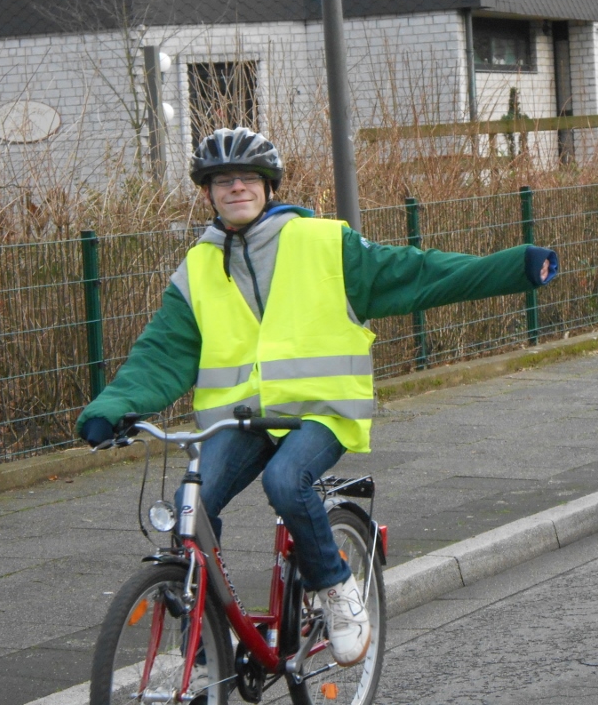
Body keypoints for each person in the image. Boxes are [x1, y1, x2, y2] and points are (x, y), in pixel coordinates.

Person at [77, 127, 558, 667]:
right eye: (222, 181)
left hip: (321, 409)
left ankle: (337, 589)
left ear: (268, 186)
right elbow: (161, 354)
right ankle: (207, 631)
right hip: (242, 419)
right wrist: (112, 409)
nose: (236, 188)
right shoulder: (197, 269)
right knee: (196, 505)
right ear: (208, 193)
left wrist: (513, 266)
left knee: (288, 481)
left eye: (248, 178)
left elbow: (420, 274)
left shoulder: (324, 243)